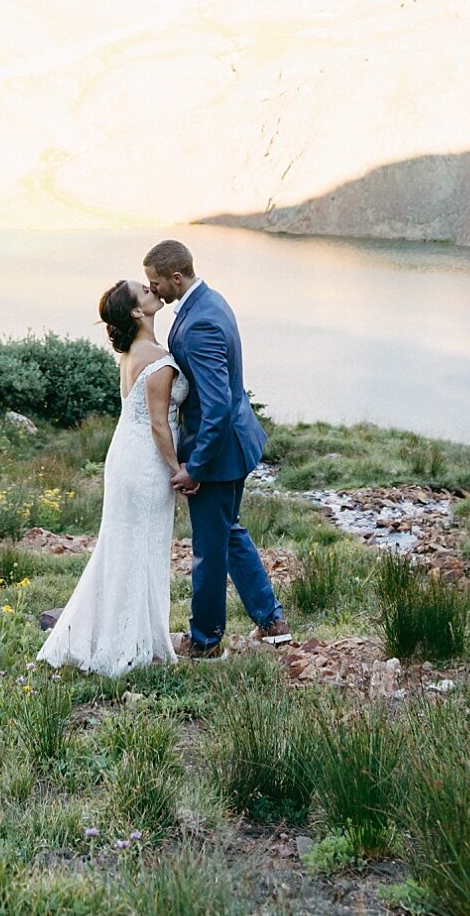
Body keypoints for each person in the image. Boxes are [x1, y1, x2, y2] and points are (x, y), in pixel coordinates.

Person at [143, 247, 285, 659]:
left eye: (154, 279)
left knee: (208, 548)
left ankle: (204, 640)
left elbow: (218, 405)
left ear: (174, 278)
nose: (151, 287)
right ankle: (271, 620)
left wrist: (197, 468)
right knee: (228, 530)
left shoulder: (201, 322)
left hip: (218, 454)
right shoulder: (209, 300)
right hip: (231, 444)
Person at [38, 284, 181, 676]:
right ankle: (126, 642)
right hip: (145, 463)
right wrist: (178, 468)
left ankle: (134, 635)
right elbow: (158, 424)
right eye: (143, 290)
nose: (152, 289)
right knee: (138, 548)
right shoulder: (153, 356)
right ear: (137, 312)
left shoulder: (134, 353)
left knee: (125, 547)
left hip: (126, 457)